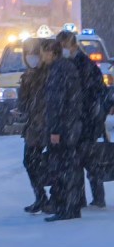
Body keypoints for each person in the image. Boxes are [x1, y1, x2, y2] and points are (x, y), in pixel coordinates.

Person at [56, 29, 108, 209]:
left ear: (72, 45)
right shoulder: (65, 63)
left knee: (88, 159)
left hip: (86, 119)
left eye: (63, 45)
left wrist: (87, 110)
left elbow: (95, 90)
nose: (62, 49)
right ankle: (81, 198)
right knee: (76, 160)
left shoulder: (83, 63)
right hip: (75, 119)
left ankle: (97, 196)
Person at [41, 36, 84, 221]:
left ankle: (65, 208)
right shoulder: (66, 67)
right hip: (71, 126)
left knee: (61, 169)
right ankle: (69, 206)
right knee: (68, 168)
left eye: (43, 53)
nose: (42, 57)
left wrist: (55, 130)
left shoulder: (59, 70)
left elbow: (57, 103)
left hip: (63, 128)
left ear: (51, 52)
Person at [18, 39, 51, 213]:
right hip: (33, 126)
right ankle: (41, 196)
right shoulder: (28, 75)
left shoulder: (48, 73)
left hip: (48, 125)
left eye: (34, 54)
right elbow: (24, 102)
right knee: (30, 161)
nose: (31, 58)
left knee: (49, 162)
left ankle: (51, 198)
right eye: (27, 54)